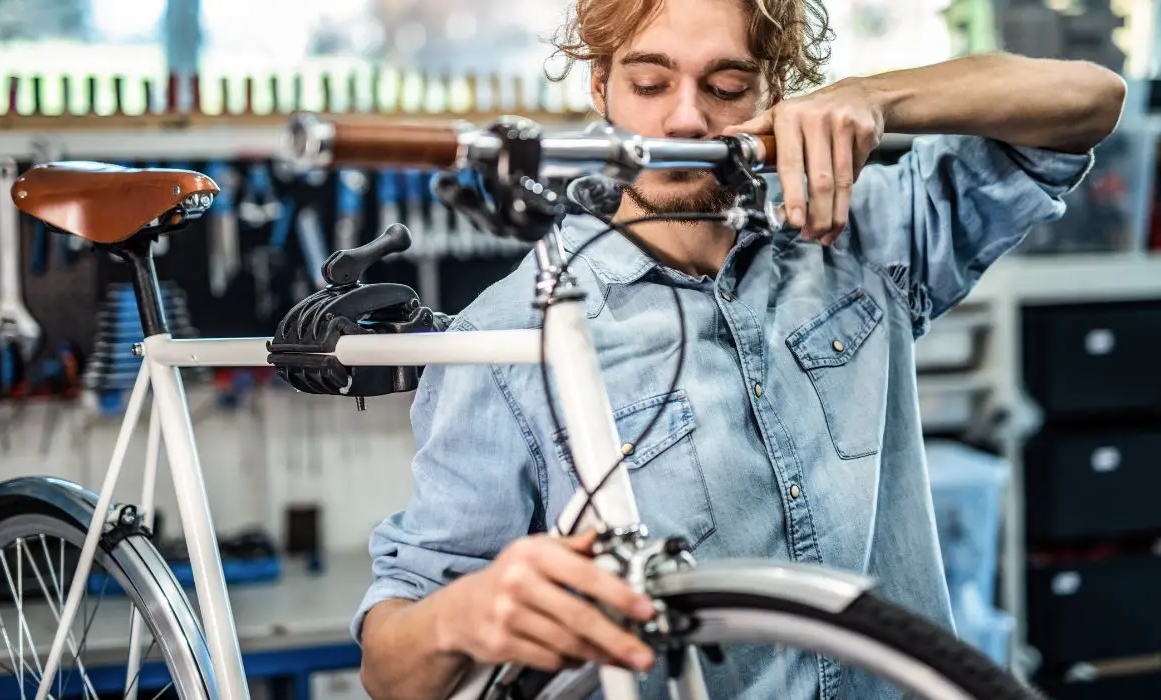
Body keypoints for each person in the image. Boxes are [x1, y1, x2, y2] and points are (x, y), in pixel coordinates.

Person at [354, 0, 1125, 697]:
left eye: (726, 87)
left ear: (777, 92)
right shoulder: (511, 336)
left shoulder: (865, 238)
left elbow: (1090, 101)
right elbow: (394, 673)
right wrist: (463, 616)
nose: (686, 122)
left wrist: (875, 98)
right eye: (650, 84)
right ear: (600, 87)